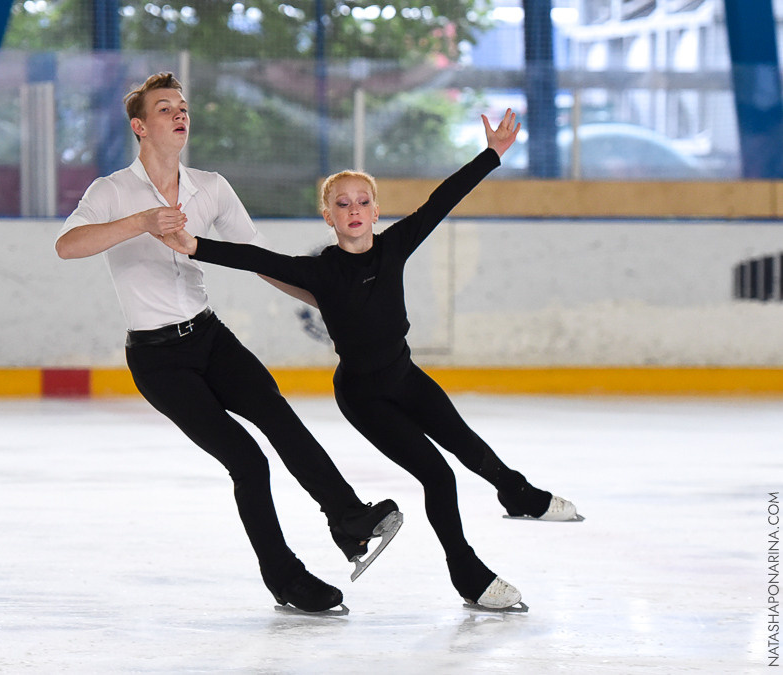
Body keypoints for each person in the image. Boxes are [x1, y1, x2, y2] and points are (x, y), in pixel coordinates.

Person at [159, 108, 580, 611]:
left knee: (470, 446)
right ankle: (468, 576)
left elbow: (442, 200)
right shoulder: (320, 273)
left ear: (376, 211)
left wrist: (491, 155)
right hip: (363, 397)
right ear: (328, 216)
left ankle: (518, 494)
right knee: (438, 475)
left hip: (405, 376)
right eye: (342, 203)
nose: (354, 209)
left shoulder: (395, 246)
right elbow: (256, 259)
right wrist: (193, 245)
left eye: (363, 201)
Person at [55, 72, 402, 614]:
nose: (179, 114)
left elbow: (259, 257)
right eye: (165, 108)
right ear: (140, 126)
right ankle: (285, 579)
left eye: (184, 107)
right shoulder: (111, 191)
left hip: (210, 337)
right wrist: (141, 221)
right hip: (157, 359)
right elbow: (68, 246)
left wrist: (332, 302)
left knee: (280, 418)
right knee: (246, 459)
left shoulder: (210, 187)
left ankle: (349, 519)